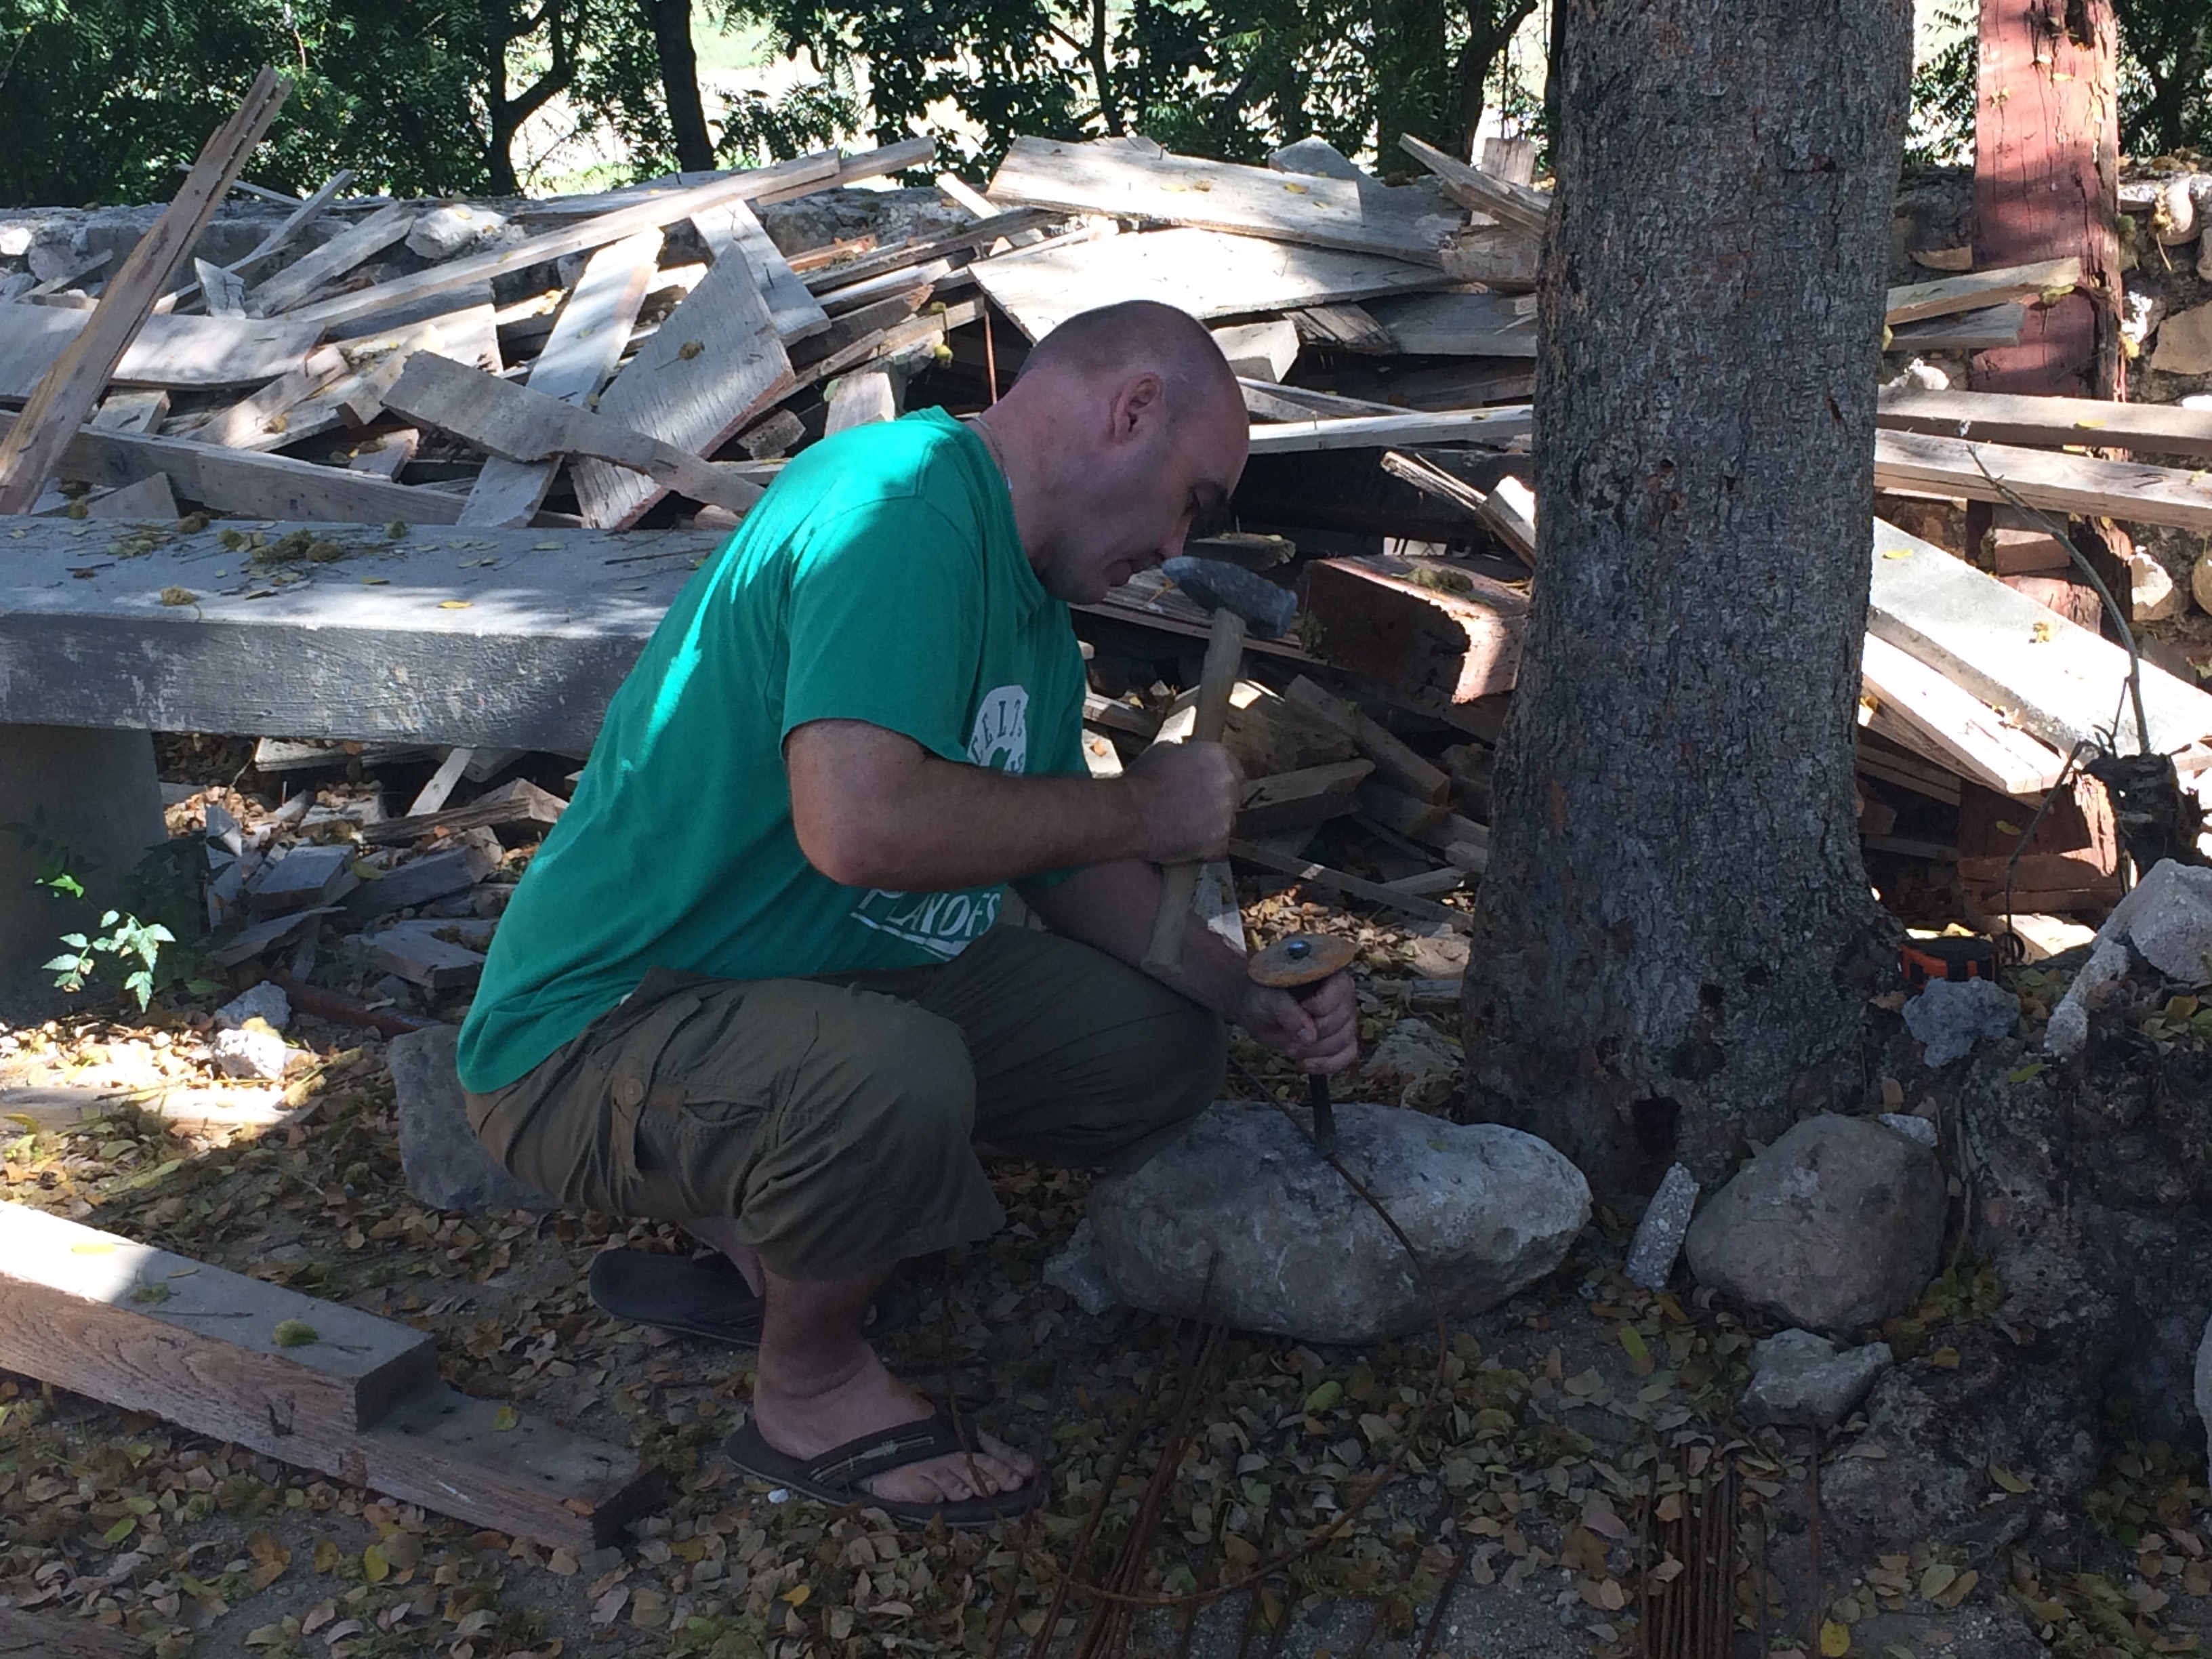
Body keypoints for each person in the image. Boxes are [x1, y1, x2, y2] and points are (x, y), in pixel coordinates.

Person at [455, 300, 1359, 1524]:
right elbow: (861, 826)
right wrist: (1144, 812)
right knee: (891, 1078)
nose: (1180, 537)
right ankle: (809, 1388)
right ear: (1130, 409)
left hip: (793, 989)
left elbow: (1054, 859)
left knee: (1152, 1048)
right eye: (1195, 498)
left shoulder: (1029, 608)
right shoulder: (896, 508)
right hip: (591, 1034)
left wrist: (1242, 994)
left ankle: (771, 1236)